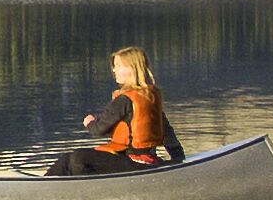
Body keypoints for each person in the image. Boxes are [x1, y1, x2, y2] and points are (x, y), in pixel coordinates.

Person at [46, 45, 181, 177]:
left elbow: (98, 130)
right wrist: (178, 158)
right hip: (148, 161)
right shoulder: (151, 97)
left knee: (77, 158)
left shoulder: (124, 100)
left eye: (118, 66)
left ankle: (48, 186)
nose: (114, 70)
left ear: (132, 69)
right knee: (67, 159)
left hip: (133, 161)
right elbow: (167, 132)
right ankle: (46, 183)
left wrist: (90, 122)